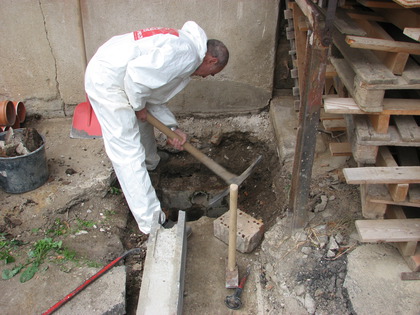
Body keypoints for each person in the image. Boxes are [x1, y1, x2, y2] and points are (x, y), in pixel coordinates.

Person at [84, 21, 229, 234]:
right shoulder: (186, 55)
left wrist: (172, 128)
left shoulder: (186, 48)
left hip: (117, 71)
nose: (207, 77)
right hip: (109, 82)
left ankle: (151, 164)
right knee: (128, 153)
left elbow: (154, 93)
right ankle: (152, 222)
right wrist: (138, 106)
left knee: (142, 120)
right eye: (212, 72)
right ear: (211, 60)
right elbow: (136, 79)